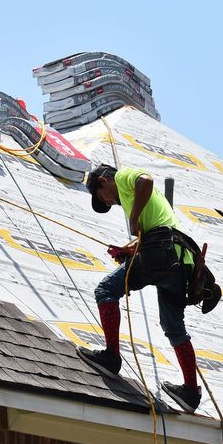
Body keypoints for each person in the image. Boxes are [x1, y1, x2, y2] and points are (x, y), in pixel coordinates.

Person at [78, 164, 204, 412]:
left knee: (105, 291)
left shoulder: (123, 177)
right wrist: (130, 250)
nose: (109, 203)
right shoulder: (153, 206)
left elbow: (146, 180)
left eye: (103, 197)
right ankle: (190, 391)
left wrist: (133, 217)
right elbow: (158, 232)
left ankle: (112, 356)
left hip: (161, 253)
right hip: (179, 262)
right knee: (174, 329)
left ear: (103, 181)